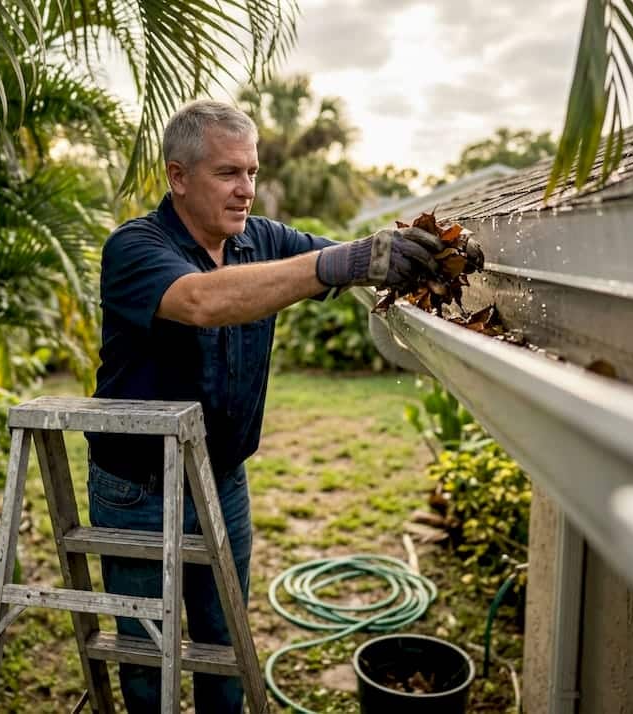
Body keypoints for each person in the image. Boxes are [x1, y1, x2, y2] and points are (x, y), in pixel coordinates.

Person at [84, 99, 444, 713]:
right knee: (148, 652)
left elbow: (344, 258)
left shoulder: (263, 240)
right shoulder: (133, 247)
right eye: (228, 173)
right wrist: (339, 262)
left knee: (224, 635)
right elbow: (202, 302)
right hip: (139, 488)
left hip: (223, 478)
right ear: (177, 177)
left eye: (251, 172)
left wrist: (418, 257)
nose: (246, 189)